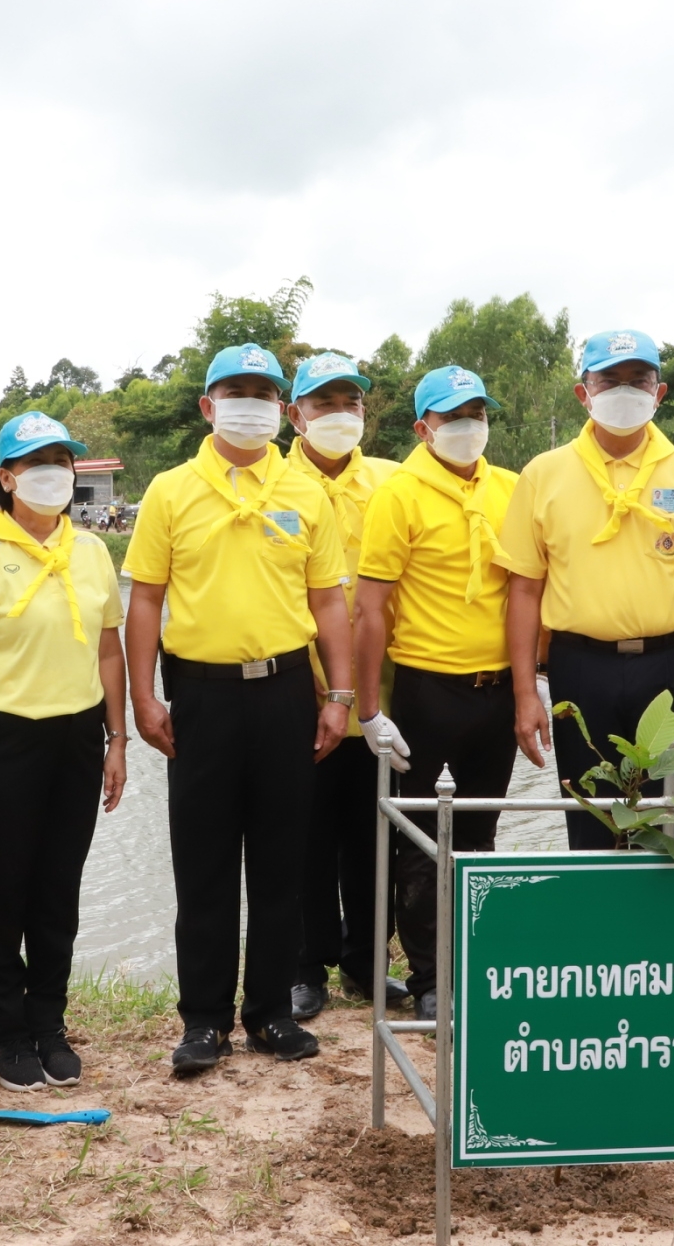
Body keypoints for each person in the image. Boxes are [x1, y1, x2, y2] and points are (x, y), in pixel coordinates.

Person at [123, 342, 354, 1073]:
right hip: (200, 694)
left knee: (283, 861)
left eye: (263, 390)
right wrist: (141, 694)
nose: (249, 402)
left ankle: (270, 1012)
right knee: (205, 864)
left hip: (287, 690)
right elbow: (147, 599)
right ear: (207, 404)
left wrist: (339, 694)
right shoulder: (169, 490)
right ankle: (203, 1020)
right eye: (235, 389)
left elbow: (329, 602)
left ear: (285, 408)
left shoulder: (305, 492)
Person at [0, 411, 128, 1091]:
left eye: (63, 459)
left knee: (57, 890)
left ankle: (49, 1023)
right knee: (0, 889)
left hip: (76, 736)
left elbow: (108, 647)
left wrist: (117, 737)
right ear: (6, 477)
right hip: (2, 736)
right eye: (36, 461)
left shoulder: (94, 552)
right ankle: (6, 1029)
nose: (54, 472)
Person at [499, 330, 674, 847]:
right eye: (609, 380)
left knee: (670, 822)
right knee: (591, 823)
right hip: (579, 671)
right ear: (583, 392)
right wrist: (524, 693)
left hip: (672, 666)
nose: (624, 391)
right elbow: (523, 592)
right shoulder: (543, 474)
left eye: (638, 379)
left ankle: (664, 929)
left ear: (660, 392)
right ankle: (598, 926)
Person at [357, 366, 520, 1021]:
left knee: (480, 834)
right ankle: (427, 977)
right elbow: (371, 608)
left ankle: (473, 963)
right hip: (428, 687)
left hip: (497, 689)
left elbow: (527, 595)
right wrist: (370, 709)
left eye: (477, 412)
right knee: (422, 839)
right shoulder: (400, 494)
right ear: (424, 427)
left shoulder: (512, 488)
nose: (467, 426)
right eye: (452, 416)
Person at [283, 351, 404, 1020]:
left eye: (350, 403)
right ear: (295, 414)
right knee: (306, 831)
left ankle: (366, 959)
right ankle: (308, 965)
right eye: (323, 403)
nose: (338, 415)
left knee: (370, 830)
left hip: (378, 689)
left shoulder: (391, 482)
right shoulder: (273, 482)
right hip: (297, 685)